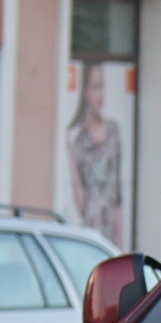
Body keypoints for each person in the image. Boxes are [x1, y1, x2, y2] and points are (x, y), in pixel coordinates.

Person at [68, 65, 127, 246]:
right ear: (85, 93)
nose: (100, 95)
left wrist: (120, 233)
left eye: (102, 86)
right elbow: (81, 204)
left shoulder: (114, 131)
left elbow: (117, 189)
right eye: (94, 88)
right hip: (92, 225)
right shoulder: (80, 141)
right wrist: (70, 155)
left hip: (111, 223)